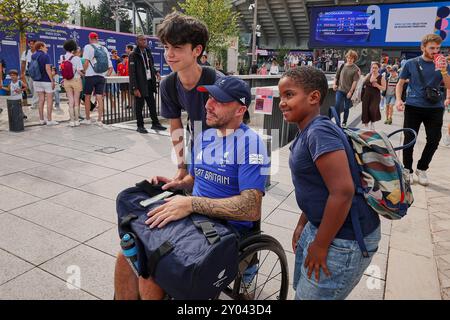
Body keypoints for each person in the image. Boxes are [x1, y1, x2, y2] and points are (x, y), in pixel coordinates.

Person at [114, 76, 268, 300]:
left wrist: (191, 203)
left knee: (152, 272)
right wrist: (176, 183)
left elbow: (251, 208)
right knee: (126, 256)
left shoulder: (252, 144)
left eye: (219, 101)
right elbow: (195, 179)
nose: (208, 104)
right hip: (191, 217)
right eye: (209, 98)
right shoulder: (204, 137)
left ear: (240, 110)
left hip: (225, 228)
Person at [278, 66, 380, 300]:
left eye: (289, 95)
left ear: (314, 97)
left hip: (344, 239)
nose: (282, 102)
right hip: (322, 226)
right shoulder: (307, 131)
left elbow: (342, 192)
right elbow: (316, 185)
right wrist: (303, 222)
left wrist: (321, 244)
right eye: (281, 96)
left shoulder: (319, 132)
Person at [157, 11, 222, 184]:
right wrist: (181, 167)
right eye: (166, 47)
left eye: (177, 48)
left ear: (197, 50)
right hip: (197, 148)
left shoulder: (218, 83)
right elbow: (175, 127)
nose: (169, 54)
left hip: (225, 152)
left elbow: (234, 129)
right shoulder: (168, 85)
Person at [395, 34, 450, 186]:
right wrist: (399, 100)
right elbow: (400, 84)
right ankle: (407, 170)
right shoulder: (410, 63)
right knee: (409, 139)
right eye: (432, 48)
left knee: (434, 140)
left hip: (435, 107)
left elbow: (449, 86)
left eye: (438, 48)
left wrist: (444, 71)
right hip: (413, 106)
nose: (435, 51)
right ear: (423, 47)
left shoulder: (443, 63)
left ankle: (422, 168)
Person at [129, 34, 166, 133]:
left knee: (152, 104)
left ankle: (155, 124)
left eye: (145, 40)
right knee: (139, 106)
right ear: (137, 41)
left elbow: (151, 66)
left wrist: (156, 72)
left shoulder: (148, 51)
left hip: (149, 82)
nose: (144, 41)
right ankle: (140, 126)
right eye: (142, 40)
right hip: (140, 84)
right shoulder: (133, 54)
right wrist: (134, 88)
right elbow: (132, 73)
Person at [81, 32, 113, 126]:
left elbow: (86, 62)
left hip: (90, 76)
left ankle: (88, 119)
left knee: (87, 97)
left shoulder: (88, 47)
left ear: (89, 38)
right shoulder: (104, 48)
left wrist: (83, 71)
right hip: (101, 77)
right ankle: (99, 120)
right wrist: (105, 75)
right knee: (99, 97)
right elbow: (110, 67)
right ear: (97, 38)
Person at [31, 41, 58, 126]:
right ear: (41, 46)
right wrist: (52, 80)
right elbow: (47, 69)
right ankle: (49, 120)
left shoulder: (33, 55)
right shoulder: (46, 56)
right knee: (49, 100)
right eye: (45, 46)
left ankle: (41, 119)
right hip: (46, 81)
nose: (47, 48)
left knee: (41, 100)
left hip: (36, 80)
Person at [332, 50, 360, 127]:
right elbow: (336, 76)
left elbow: (355, 81)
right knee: (337, 105)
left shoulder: (356, 69)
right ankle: (338, 122)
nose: (349, 59)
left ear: (354, 59)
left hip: (348, 92)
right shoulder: (342, 66)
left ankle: (344, 122)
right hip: (340, 90)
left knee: (346, 108)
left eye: (351, 58)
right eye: (348, 57)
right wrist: (334, 84)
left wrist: (351, 92)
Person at [61, 39, 84, 127]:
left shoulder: (62, 57)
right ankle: (77, 120)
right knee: (76, 100)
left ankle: (71, 121)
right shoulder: (77, 58)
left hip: (66, 81)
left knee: (70, 100)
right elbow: (79, 71)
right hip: (76, 80)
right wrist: (84, 75)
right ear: (74, 48)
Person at [361, 62, 385, 130]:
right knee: (365, 109)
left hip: (375, 96)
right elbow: (363, 83)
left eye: (375, 68)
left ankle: (372, 122)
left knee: (372, 109)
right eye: (373, 68)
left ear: (379, 69)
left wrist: (377, 85)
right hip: (366, 95)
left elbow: (384, 88)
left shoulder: (381, 77)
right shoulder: (369, 75)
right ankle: (366, 125)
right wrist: (368, 80)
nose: (374, 69)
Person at [20, 38, 37, 108]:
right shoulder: (26, 52)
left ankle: (35, 103)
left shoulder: (38, 52)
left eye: (33, 44)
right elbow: (23, 63)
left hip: (36, 73)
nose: (31, 45)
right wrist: (22, 73)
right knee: (31, 88)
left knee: (35, 88)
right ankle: (36, 101)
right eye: (30, 44)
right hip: (28, 73)